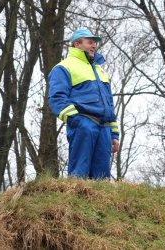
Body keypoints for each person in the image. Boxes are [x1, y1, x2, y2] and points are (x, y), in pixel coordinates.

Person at [48, 28, 119, 179]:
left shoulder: (100, 71)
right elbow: (57, 99)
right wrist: (77, 121)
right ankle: (73, 201)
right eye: (90, 42)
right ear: (77, 45)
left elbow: (109, 104)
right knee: (78, 175)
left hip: (104, 128)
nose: (94, 45)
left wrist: (114, 134)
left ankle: (100, 203)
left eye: (95, 43)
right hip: (84, 124)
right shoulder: (63, 67)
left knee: (102, 179)